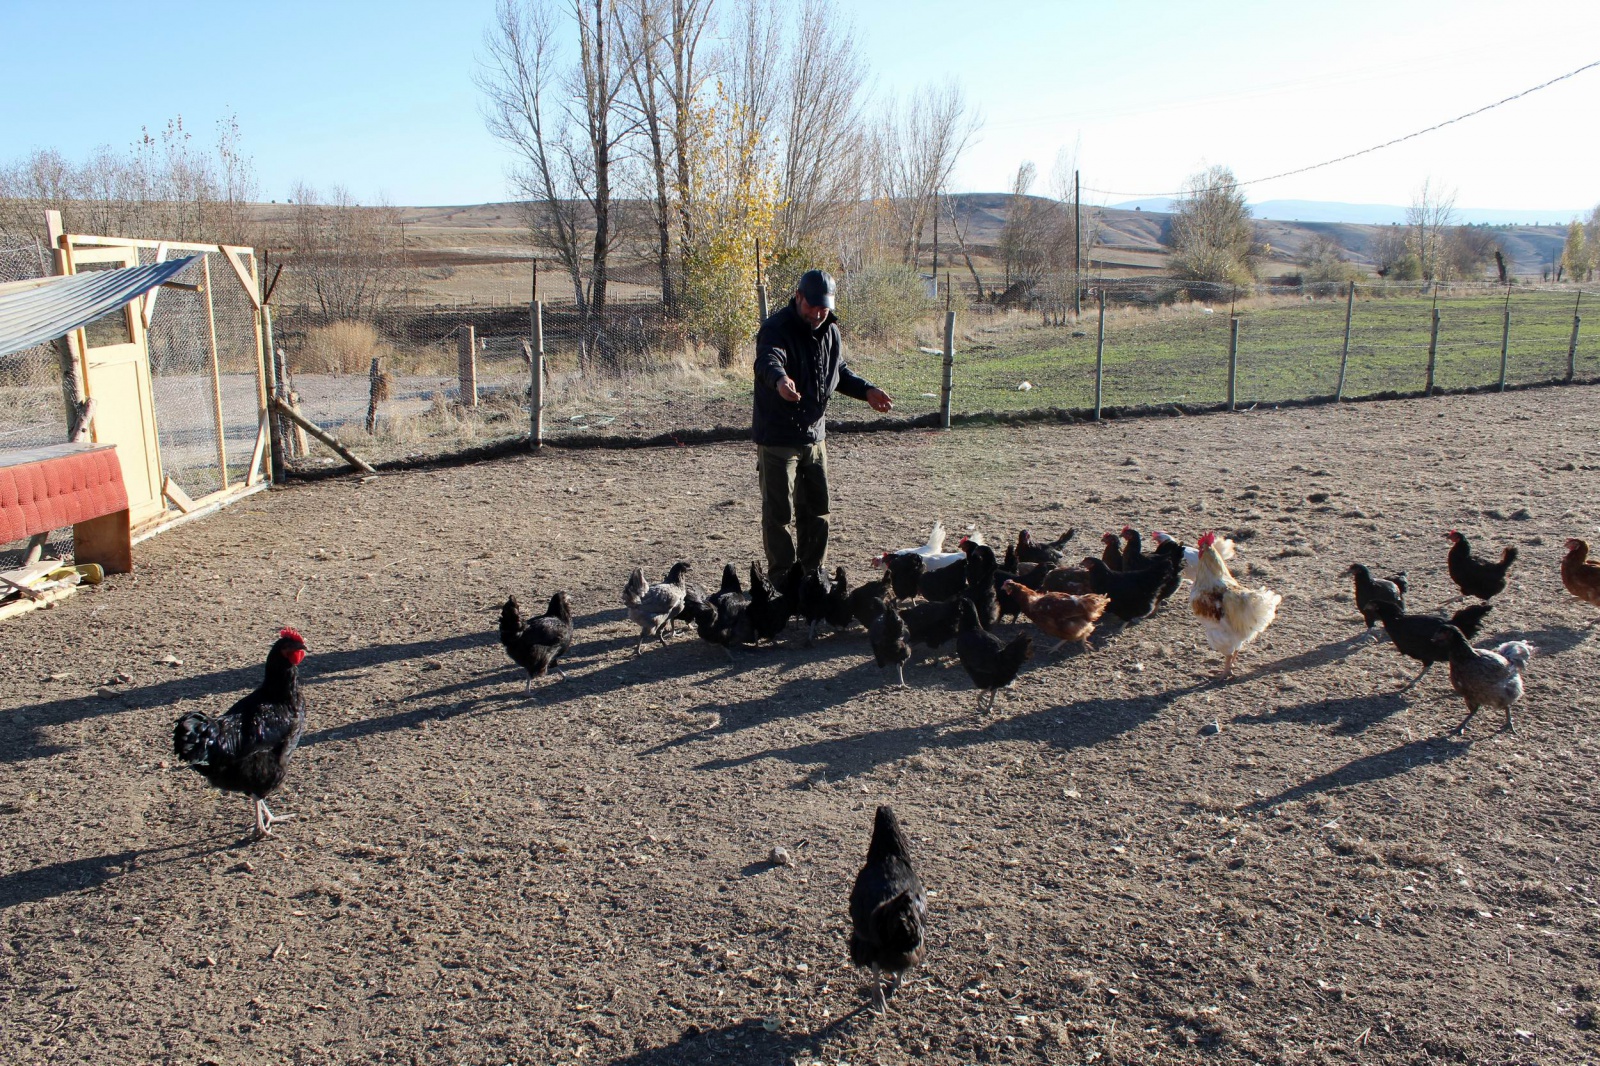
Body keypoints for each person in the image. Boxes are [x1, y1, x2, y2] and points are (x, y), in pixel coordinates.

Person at [752, 269, 893, 577]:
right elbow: (767, 360)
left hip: (815, 437)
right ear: (798, 297)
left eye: (823, 307)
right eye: (811, 306)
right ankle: (782, 581)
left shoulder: (830, 330)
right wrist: (780, 380)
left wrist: (866, 390)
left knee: (817, 510)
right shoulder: (776, 328)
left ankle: (812, 574)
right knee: (778, 514)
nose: (817, 313)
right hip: (778, 438)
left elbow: (838, 370)